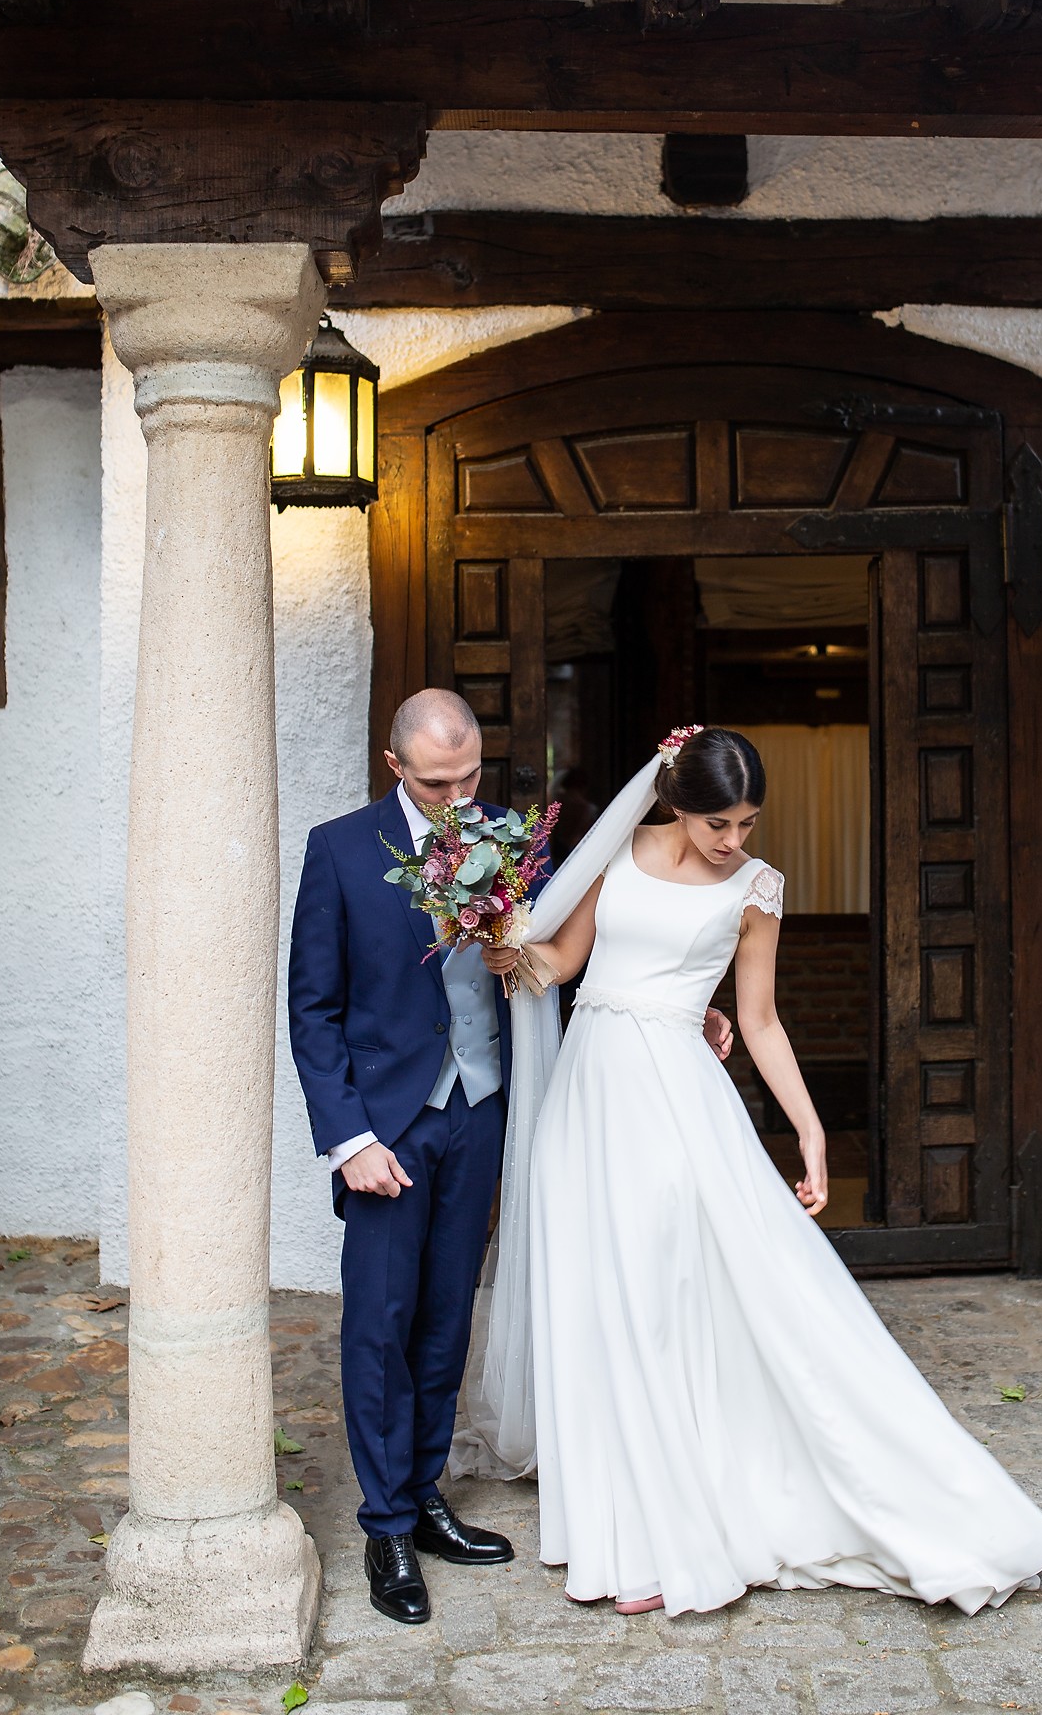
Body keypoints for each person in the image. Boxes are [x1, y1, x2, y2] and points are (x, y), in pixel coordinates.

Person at [479, 724, 1042, 1619]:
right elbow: (562, 962)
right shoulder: (618, 852)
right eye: (719, 824)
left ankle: (674, 1516)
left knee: (665, 1292)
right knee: (599, 1291)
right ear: (675, 805)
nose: (734, 841)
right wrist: (504, 948)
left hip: (676, 1102)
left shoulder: (756, 891)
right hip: (587, 1098)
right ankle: (620, 1505)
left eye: (748, 823)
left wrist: (811, 1131)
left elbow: (757, 1021)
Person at [288, 690, 734, 1626]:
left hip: (482, 1112)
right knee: (381, 1320)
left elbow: (573, 955)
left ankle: (421, 1492)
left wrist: (689, 1007)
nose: (457, 797)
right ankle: (382, 1526)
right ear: (393, 764)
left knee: (451, 1314)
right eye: (436, 781)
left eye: (469, 776)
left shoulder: (512, 838)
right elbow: (314, 1010)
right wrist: (350, 1141)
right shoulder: (338, 849)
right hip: (389, 1127)